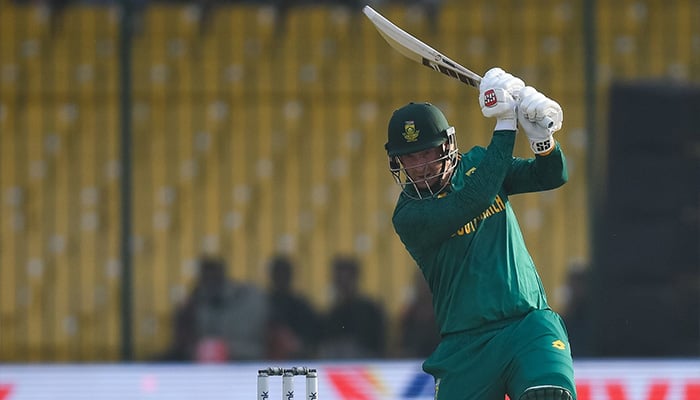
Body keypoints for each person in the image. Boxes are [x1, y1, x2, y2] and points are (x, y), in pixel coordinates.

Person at [383, 67, 576, 399]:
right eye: (409, 158)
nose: (418, 167)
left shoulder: (480, 163)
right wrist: (505, 121)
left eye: (426, 152)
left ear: (446, 145)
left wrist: (541, 137)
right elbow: (473, 200)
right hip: (465, 347)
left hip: (527, 327)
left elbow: (551, 175)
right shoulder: (409, 215)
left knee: (547, 394)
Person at [159, 257, 269, 362]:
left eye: (214, 277)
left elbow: (255, 342)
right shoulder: (195, 302)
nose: (210, 282)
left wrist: (226, 349)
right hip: (203, 359)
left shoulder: (246, 298)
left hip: (240, 359)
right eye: (207, 278)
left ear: (222, 276)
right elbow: (184, 342)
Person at [318, 255, 387, 359]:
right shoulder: (330, 315)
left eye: (347, 279)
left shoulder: (370, 311)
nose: (344, 284)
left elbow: (379, 346)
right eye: (340, 280)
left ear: (355, 278)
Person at [265, 254, 321, 360]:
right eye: (278, 274)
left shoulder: (301, 306)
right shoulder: (262, 304)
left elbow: (311, 338)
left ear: (290, 275)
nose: (281, 278)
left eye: (284, 274)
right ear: (272, 276)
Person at [397, 269, 441, 358]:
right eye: (421, 282)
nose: (424, 287)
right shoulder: (410, 314)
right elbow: (402, 344)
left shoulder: (443, 312)